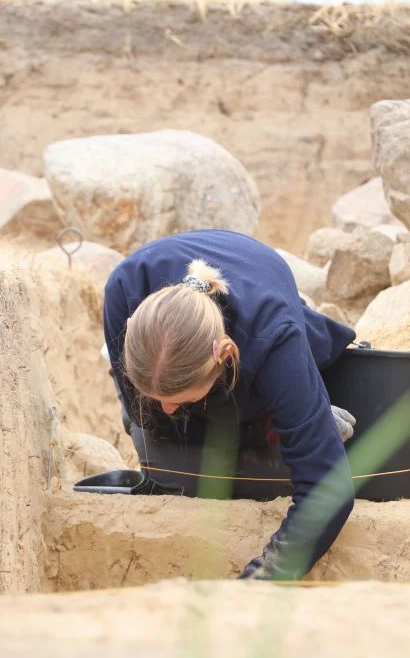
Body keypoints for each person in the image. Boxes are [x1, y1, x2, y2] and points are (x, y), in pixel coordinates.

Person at [102, 229, 358, 581]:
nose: (169, 410)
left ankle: (290, 408)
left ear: (222, 354)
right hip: (209, 343)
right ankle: (286, 417)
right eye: (159, 398)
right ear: (130, 329)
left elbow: (329, 490)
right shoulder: (124, 291)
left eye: (180, 400)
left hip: (263, 320)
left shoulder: (275, 339)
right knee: (158, 447)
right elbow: (151, 418)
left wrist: (256, 584)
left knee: (230, 470)